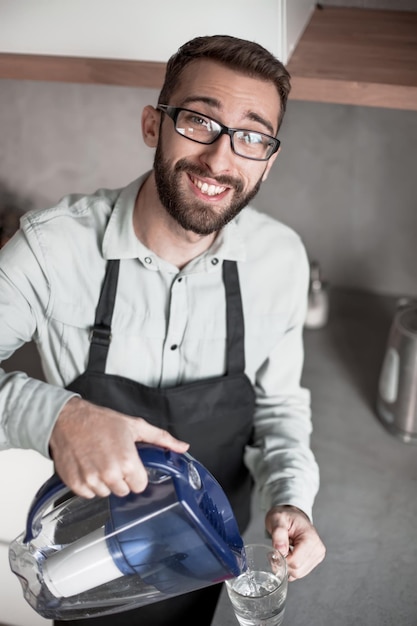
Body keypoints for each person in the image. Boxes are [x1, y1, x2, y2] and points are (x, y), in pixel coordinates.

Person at [0, 35, 325, 625]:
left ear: (269, 160)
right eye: (200, 120)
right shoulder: (51, 248)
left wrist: (292, 499)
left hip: (208, 542)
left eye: (252, 136)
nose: (222, 159)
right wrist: (58, 417)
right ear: (154, 124)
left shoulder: (282, 261)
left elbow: (280, 408)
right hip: (86, 547)